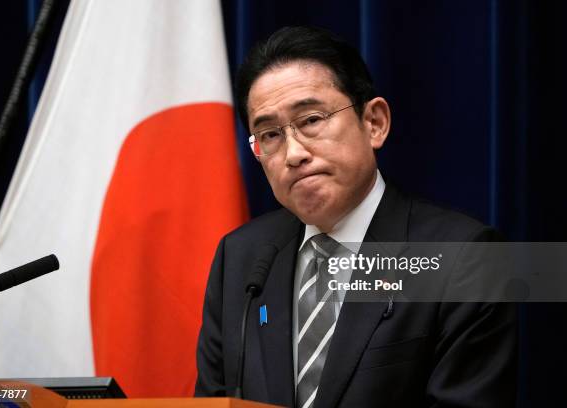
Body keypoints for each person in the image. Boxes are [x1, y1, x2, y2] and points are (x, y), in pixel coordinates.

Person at [195, 26, 516, 407]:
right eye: (269, 135)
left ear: (374, 122)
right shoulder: (240, 259)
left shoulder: (466, 257)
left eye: (311, 119)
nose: (293, 153)